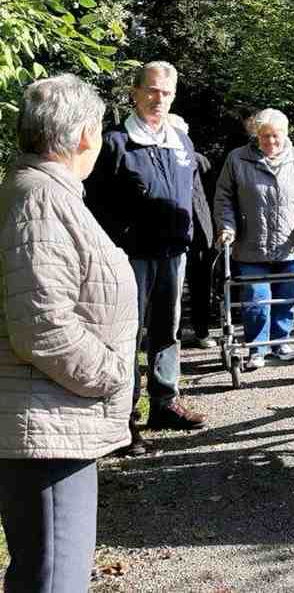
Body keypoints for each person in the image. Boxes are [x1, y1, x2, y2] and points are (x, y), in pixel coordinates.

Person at [0, 74, 138, 592]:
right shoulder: (39, 200)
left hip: (54, 418)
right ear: (84, 134)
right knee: (55, 580)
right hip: (48, 428)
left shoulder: (43, 193)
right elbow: (40, 323)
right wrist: (111, 374)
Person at [86, 60, 207, 453]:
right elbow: (95, 204)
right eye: (152, 90)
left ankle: (164, 403)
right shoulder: (115, 142)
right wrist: (117, 243)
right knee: (126, 336)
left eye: (166, 92)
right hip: (130, 257)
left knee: (166, 331)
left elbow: (193, 191)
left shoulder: (180, 140)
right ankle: (124, 420)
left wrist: (201, 233)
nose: (159, 99)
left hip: (174, 252)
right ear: (135, 93)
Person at [214, 108, 294, 370]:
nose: (271, 142)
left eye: (275, 136)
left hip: (292, 245)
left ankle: (281, 343)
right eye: (264, 136)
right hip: (251, 245)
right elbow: (223, 197)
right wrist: (226, 228)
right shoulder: (237, 159)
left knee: (287, 298)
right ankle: (257, 349)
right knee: (256, 299)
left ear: (286, 133)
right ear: (256, 135)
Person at [168, 115, 218, 350]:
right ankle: (171, 335)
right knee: (171, 287)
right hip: (169, 233)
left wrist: (215, 230)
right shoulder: (160, 161)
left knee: (201, 285)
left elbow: (212, 196)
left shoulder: (200, 161)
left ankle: (201, 331)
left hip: (200, 232)